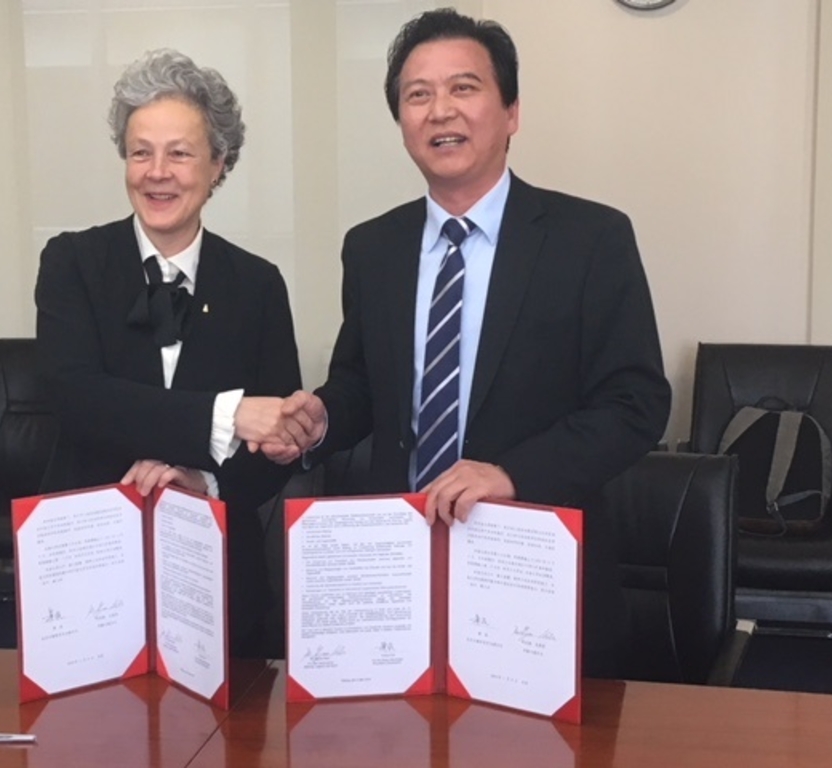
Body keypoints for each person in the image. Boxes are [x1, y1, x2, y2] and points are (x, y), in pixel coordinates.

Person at [265, 8, 671, 678]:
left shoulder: (589, 239)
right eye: (417, 94)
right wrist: (320, 419)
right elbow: (365, 383)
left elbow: (635, 404)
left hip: (533, 565)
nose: (439, 110)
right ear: (400, 120)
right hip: (398, 564)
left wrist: (511, 474)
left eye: (464, 87)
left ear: (511, 111)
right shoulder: (373, 247)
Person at [35, 49, 301, 658]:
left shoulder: (259, 284)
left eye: (179, 153)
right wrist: (226, 417)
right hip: (87, 573)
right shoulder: (71, 262)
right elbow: (75, 398)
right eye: (139, 152)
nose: (157, 172)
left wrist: (200, 479)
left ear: (218, 164)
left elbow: (276, 449)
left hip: (216, 579)